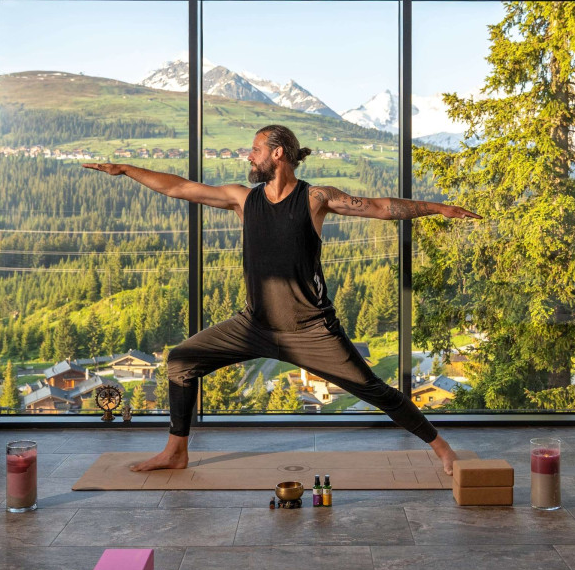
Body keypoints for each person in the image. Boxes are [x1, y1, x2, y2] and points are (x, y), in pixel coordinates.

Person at [83, 124, 480, 474]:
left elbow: (379, 208)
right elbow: (179, 187)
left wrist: (438, 208)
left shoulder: (314, 198)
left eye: (254, 150)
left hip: (311, 330)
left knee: (375, 390)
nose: (248, 156)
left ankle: (442, 448)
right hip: (253, 324)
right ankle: (175, 451)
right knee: (181, 361)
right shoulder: (243, 199)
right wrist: (126, 170)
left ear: (277, 153)